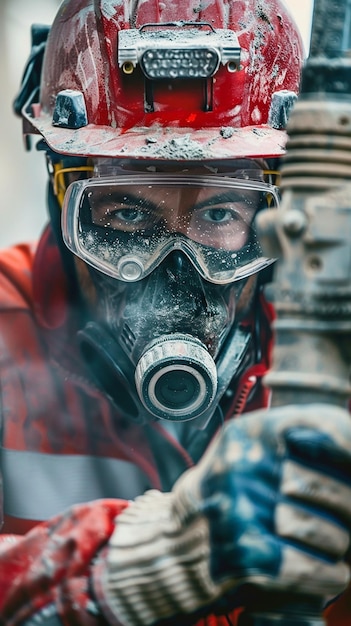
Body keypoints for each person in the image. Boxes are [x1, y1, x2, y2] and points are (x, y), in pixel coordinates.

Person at [1, 0, 351, 625]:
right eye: (128, 215)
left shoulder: (328, 364)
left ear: (275, 219)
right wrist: (129, 566)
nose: (174, 272)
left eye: (220, 212)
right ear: (61, 202)